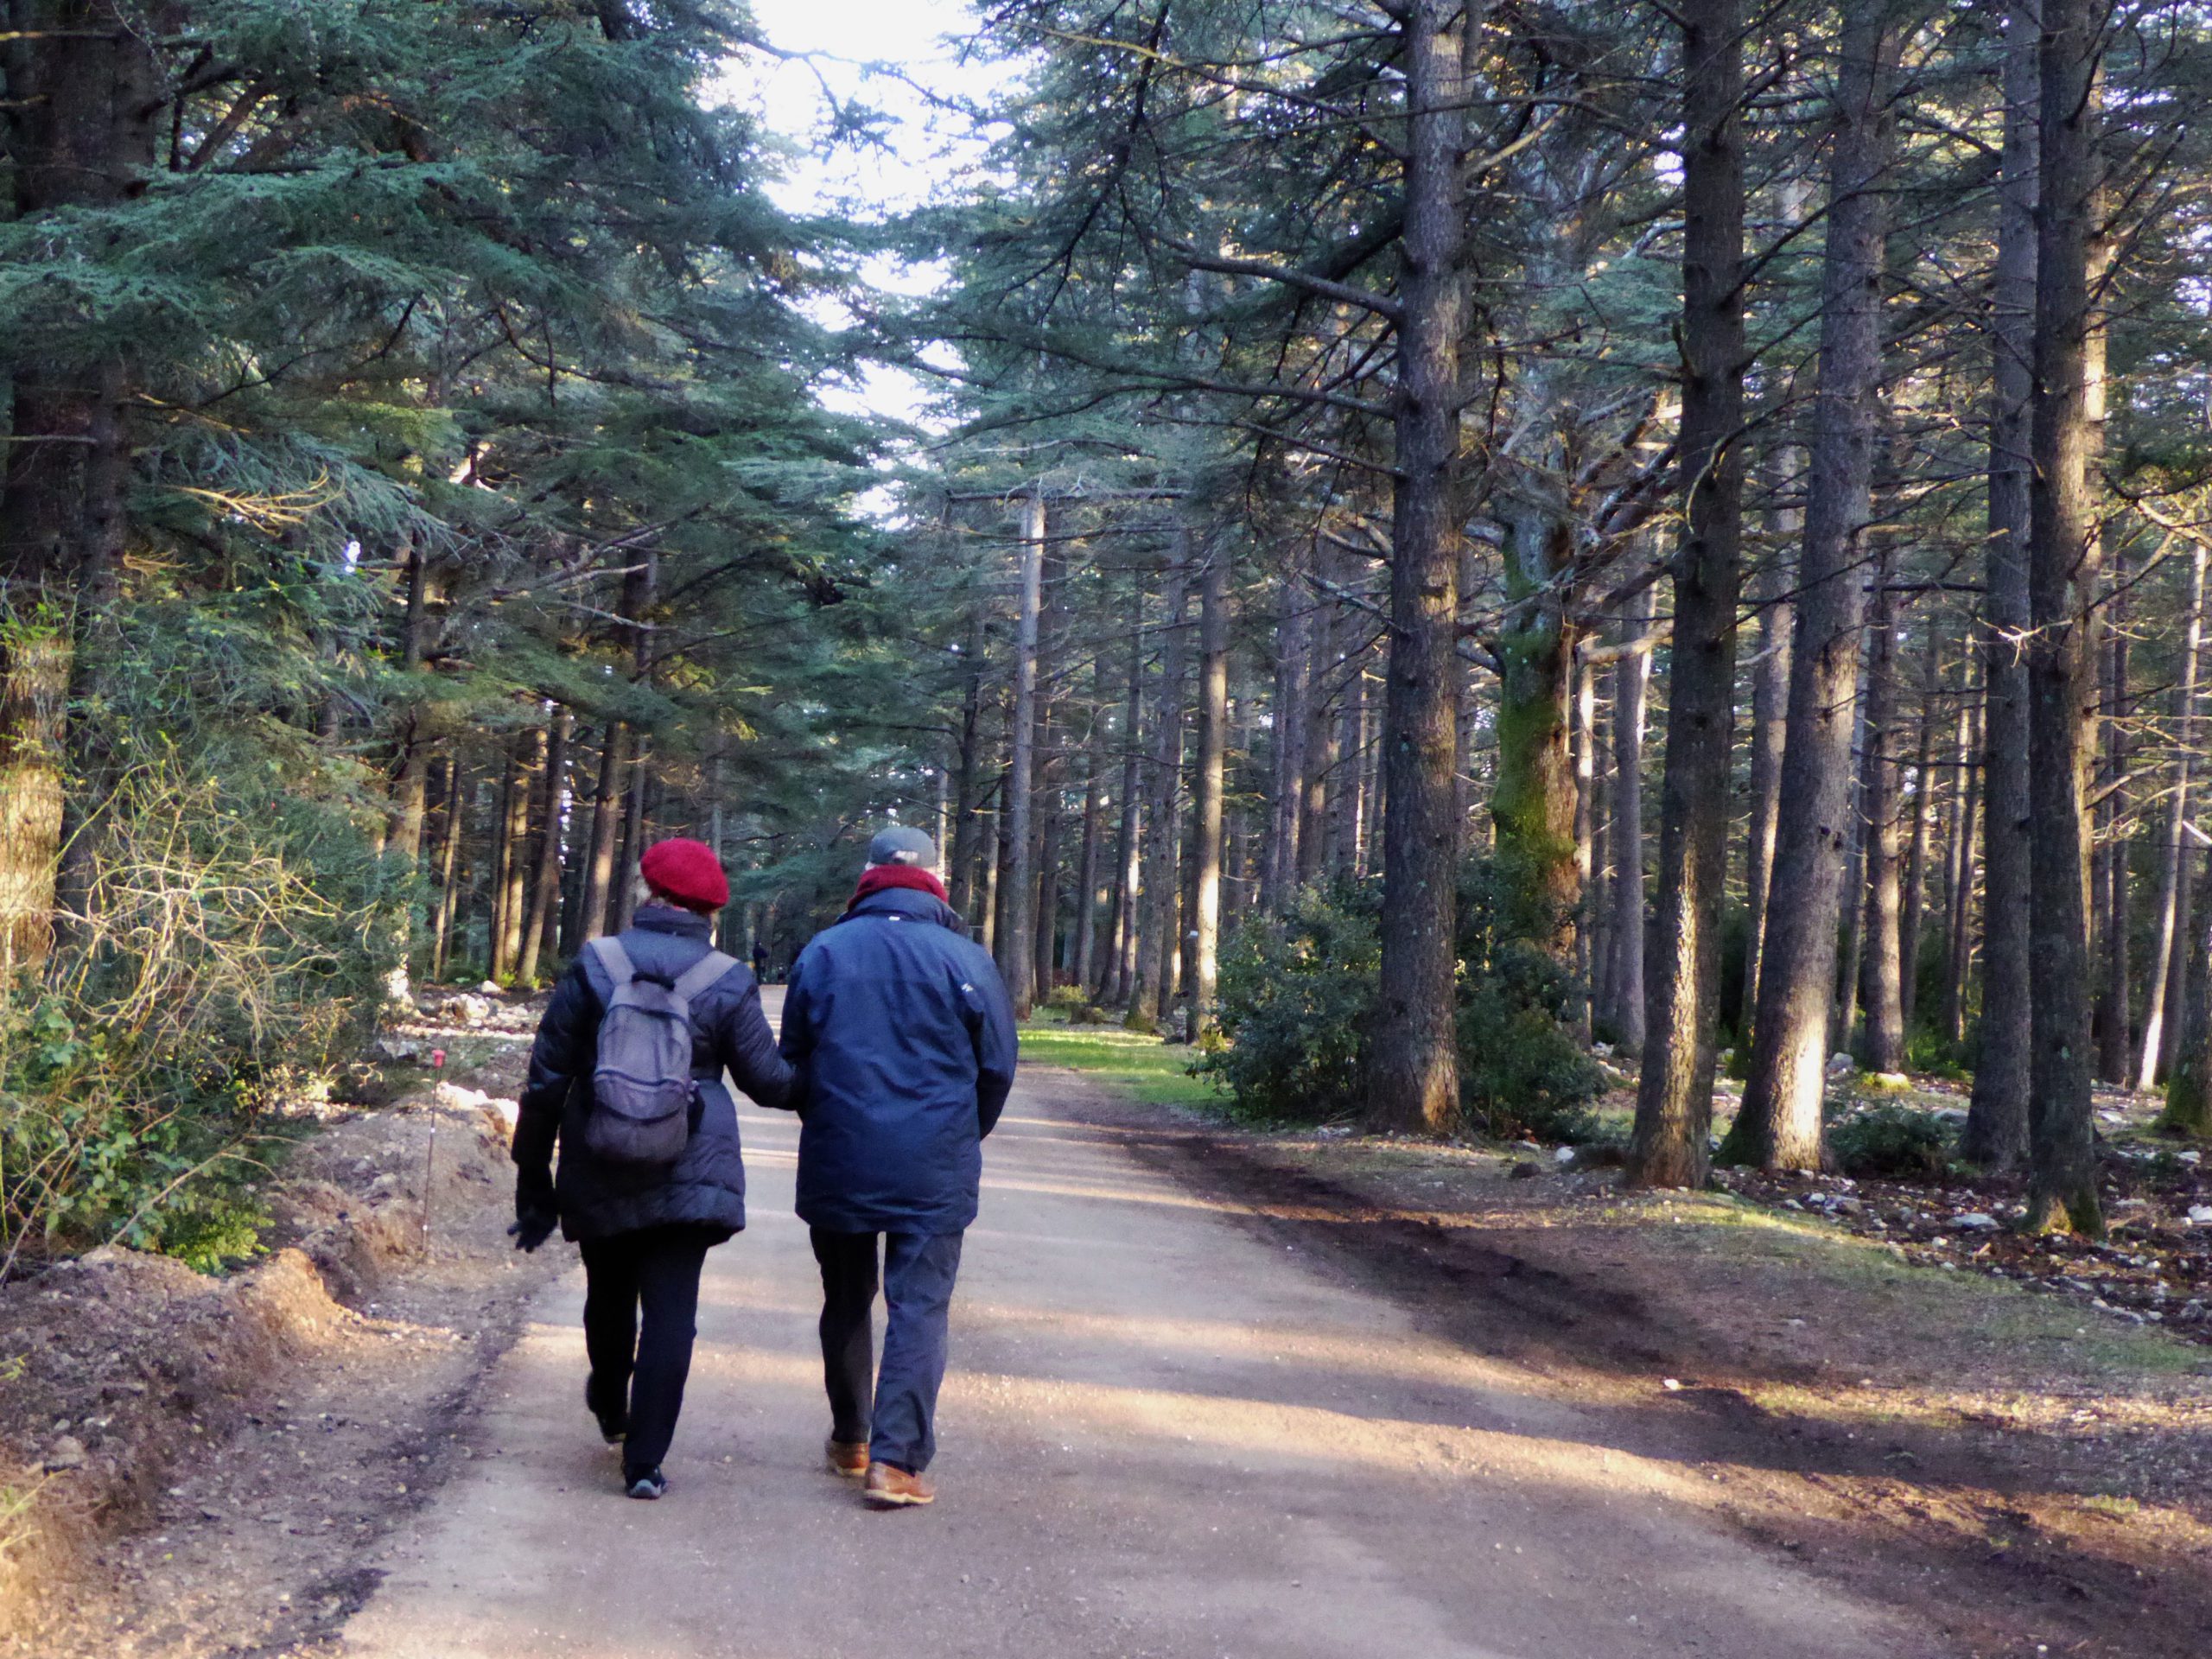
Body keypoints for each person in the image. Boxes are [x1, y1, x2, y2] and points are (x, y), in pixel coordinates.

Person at [512, 836, 792, 1500]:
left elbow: (547, 1077)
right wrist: (829, 1073)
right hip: (691, 1161)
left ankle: (611, 1403)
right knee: (673, 1312)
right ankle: (645, 1463)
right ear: (708, 910)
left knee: (607, 1293)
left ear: (648, 894)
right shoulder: (727, 976)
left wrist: (533, 1178)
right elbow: (770, 1082)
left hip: (600, 1148)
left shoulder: (596, 962)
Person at [779, 825, 1017, 1509]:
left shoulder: (824, 951)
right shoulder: (965, 957)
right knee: (919, 1308)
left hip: (841, 1157)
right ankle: (895, 1463)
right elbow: (997, 1068)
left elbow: (794, 1059)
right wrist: (960, 1136)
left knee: (847, 1297)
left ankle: (851, 1438)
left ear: (868, 876)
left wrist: (832, 1121)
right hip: (933, 1162)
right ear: (938, 881)